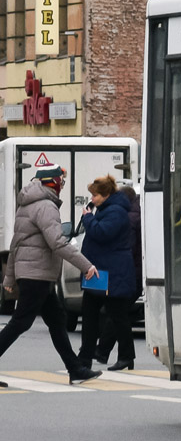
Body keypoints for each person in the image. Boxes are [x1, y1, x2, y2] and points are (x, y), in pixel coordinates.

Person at [0, 163, 103, 386]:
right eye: (61, 181)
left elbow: (15, 244)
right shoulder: (46, 206)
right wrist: (86, 266)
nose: (62, 186)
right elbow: (57, 243)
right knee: (20, 323)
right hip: (37, 275)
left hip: (37, 275)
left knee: (57, 320)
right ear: (53, 183)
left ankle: (75, 369)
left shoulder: (27, 205)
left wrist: (9, 277)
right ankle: (75, 368)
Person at [76, 175, 136, 372]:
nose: (92, 199)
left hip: (111, 273)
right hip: (99, 271)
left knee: (117, 315)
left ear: (106, 194)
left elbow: (102, 233)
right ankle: (85, 357)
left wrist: (88, 218)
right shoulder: (107, 209)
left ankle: (126, 356)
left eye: (95, 195)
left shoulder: (116, 212)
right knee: (90, 314)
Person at [95, 184, 141, 364]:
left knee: (116, 313)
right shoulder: (134, 215)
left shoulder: (128, 219)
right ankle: (112, 354)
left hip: (129, 272)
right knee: (117, 313)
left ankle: (114, 354)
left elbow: (125, 248)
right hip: (133, 272)